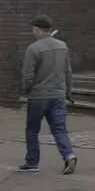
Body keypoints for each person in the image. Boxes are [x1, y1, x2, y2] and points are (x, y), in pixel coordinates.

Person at [19, 14, 77, 174]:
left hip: (38, 96)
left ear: (38, 29)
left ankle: (32, 162)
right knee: (59, 129)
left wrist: (26, 90)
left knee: (32, 130)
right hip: (58, 95)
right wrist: (68, 92)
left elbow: (28, 74)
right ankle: (68, 155)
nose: (32, 32)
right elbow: (68, 72)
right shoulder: (62, 46)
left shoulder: (33, 48)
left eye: (33, 29)